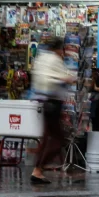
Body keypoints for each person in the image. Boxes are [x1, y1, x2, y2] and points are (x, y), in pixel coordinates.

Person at [30, 37, 76, 184]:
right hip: (53, 103)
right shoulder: (54, 59)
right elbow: (56, 79)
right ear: (59, 49)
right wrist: (68, 78)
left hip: (44, 102)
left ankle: (37, 169)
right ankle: (38, 169)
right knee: (58, 140)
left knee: (47, 137)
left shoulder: (41, 58)